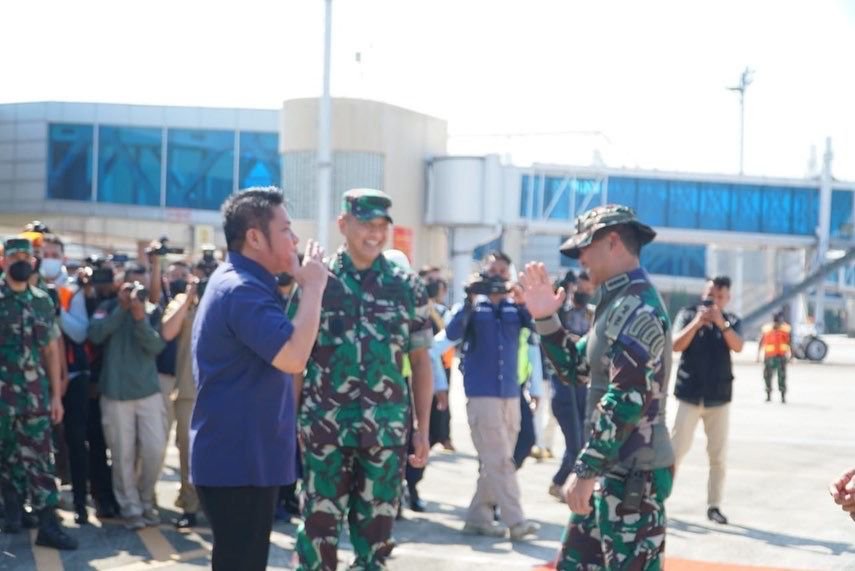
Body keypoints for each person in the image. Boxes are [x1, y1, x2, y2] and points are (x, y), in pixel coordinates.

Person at [520, 204, 674, 569]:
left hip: (632, 477)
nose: (581, 259)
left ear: (613, 241)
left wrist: (586, 469)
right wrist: (545, 318)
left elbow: (626, 398)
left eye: (585, 247)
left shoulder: (637, 307)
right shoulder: (617, 303)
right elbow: (576, 369)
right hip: (611, 468)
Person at [292, 189, 433, 571]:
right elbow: (295, 360)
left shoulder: (407, 286)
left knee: (376, 541)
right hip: (324, 430)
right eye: (366, 224)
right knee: (317, 533)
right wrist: (289, 423)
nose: (375, 234)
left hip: (385, 432)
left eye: (381, 226)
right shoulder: (317, 281)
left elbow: (421, 362)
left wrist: (422, 429)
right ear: (343, 224)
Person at [191, 187, 327, 571]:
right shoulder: (242, 290)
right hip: (239, 460)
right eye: (285, 229)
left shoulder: (245, 283)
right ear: (254, 237)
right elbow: (293, 357)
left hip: (244, 458)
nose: (295, 239)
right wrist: (313, 287)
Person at [445, 267, 540, 541]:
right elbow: (452, 332)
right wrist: (469, 301)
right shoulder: (474, 308)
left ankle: (478, 518)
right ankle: (516, 520)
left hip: (510, 391)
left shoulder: (513, 309)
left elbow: (535, 328)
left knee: (497, 460)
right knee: (499, 460)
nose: (497, 287)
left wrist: (523, 302)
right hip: (482, 393)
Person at [0, 237, 78, 549]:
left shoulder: (42, 300)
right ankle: (12, 513)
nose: (21, 261)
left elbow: (50, 350)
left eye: (26, 256)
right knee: (5, 458)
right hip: (2, 397)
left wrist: (57, 396)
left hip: (34, 396)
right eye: (14, 256)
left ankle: (48, 524)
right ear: (4, 261)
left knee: (42, 460)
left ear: (33, 261)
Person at [88, 263, 168, 530]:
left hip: (148, 391)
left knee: (155, 450)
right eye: (131, 285)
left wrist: (139, 318)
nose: (136, 292)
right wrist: (122, 309)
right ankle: (131, 508)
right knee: (122, 454)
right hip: (115, 392)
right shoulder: (108, 307)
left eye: (140, 286)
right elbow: (95, 334)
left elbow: (156, 345)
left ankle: (146, 500)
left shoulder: (152, 310)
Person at [669, 276, 744, 525]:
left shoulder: (731, 320)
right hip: (689, 395)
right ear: (704, 293)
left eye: (720, 297)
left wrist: (721, 324)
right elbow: (675, 345)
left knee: (718, 456)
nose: (714, 301)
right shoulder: (688, 314)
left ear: (727, 298)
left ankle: (714, 505)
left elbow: (738, 346)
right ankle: (658, 499)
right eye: (711, 295)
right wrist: (697, 323)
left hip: (718, 398)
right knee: (674, 452)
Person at [42, 234, 94, 524]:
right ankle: (42, 503)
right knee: (40, 443)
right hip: (38, 379)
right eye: (45, 253)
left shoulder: (72, 290)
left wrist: (57, 310)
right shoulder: (28, 286)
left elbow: (80, 332)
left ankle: (80, 503)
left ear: (62, 257)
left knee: (75, 439)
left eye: (54, 254)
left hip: (74, 376)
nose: (48, 259)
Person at [159, 267, 202, 529]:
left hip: (223, 390)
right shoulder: (182, 302)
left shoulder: (227, 297)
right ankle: (190, 505)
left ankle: (215, 504)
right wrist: (189, 297)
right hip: (189, 389)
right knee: (187, 451)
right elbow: (167, 332)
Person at [548, 270, 594, 500]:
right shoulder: (561, 312)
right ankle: (560, 482)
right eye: (579, 288)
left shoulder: (591, 314)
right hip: (563, 384)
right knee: (575, 443)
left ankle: (560, 483)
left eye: (588, 289)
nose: (583, 293)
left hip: (582, 385)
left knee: (582, 440)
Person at [758, 312, 791, 403]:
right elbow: (761, 342)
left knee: (782, 377)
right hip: (769, 357)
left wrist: (791, 355)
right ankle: (768, 395)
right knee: (767, 376)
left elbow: (789, 342)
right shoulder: (767, 330)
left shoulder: (785, 330)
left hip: (781, 357)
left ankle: (783, 396)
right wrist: (758, 355)